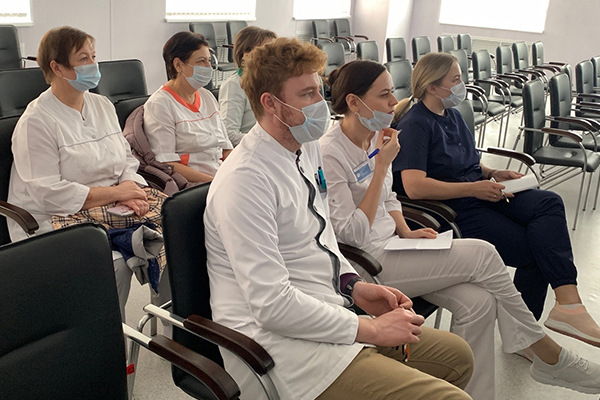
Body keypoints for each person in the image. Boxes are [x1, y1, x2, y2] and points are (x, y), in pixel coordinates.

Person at [205, 37, 475, 400]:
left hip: (328, 310)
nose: (321, 103)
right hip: (281, 350)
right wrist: (370, 329)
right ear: (270, 103)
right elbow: (271, 306)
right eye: (307, 94)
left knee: (458, 357)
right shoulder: (246, 181)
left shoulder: (305, 148)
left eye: (319, 90)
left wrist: (353, 286)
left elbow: (322, 236)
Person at [319, 59, 600, 400]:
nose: (394, 102)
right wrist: (380, 168)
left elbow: (390, 197)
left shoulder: (376, 138)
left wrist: (406, 231)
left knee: (479, 302)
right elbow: (351, 234)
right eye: (384, 95)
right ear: (354, 102)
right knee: (484, 253)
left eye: (393, 92)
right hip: (368, 264)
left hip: (395, 245)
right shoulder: (331, 153)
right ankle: (546, 352)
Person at [391, 52, 600, 348]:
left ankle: (569, 302)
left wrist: (492, 172)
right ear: (432, 87)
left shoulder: (452, 114)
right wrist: (473, 188)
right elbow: (414, 187)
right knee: (534, 251)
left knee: (549, 202)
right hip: (456, 207)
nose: (462, 84)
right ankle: (527, 339)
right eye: (455, 79)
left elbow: (467, 161)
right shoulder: (416, 124)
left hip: (479, 191)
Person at [7, 26, 158, 319]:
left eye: (94, 56)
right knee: (113, 263)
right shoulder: (36, 121)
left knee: (171, 233)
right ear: (57, 68)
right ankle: (106, 337)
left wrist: (130, 189)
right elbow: (49, 193)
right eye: (83, 58)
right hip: (52, 219)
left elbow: (126, 158)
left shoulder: (102, 105)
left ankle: (175, 327)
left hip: (111, 207)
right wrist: (117, 193)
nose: (93, 65)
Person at [144, 31, 232, 183]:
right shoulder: (160, 104)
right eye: (201, 61)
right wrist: (215, 183)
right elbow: (168, 163)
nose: (208, 67)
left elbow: (226, 149)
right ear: (178, 65)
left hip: (221, 177)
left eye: (209, 60)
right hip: (195, 185)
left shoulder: (206, 96)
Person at [219, 26, 276, 146]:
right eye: (267, 51)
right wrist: (268, 143)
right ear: (245, 54)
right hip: (254, 150)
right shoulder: (234, 85)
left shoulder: (271, 83)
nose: (273, 57)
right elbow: (229, 134)